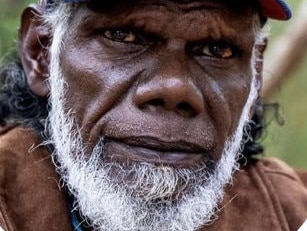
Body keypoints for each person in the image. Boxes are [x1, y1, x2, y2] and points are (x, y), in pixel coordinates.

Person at [0, 0, 306, 230]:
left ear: (254, 76)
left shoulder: (293, 212)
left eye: (216, 50)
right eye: (124, 36)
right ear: (41, 53)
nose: (174, 89)